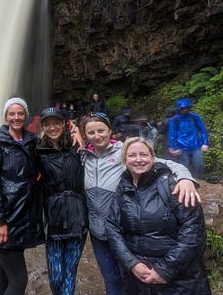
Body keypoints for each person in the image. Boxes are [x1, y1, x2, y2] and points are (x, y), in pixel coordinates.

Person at [80, 112, 200, 295]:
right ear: (85, 136)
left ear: (110, 131)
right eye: (91, 132)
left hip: (127, 231)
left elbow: (165, 163)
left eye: (101, 130)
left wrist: (185, 178)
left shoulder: (126, 152)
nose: (97, 136)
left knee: (130, 279)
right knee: (111, 281)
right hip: (98, 232)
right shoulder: (83, 156)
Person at [106, 137, 211, 294]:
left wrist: (165, 270)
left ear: (153, 157)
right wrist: (131, 263)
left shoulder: (173, 185)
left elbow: (193, 230)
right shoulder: (123, 187)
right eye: (132, 155)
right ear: (124, 160)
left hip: (180, 279)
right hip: (139, 277)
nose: (138, 159)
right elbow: (112, 227)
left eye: (144, 154)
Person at [0, 97, 44, 295]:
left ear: (25, 115)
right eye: (12, 113)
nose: (16, 117)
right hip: (5, 219)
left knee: (5, 277)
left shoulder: (32, 141)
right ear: (6, 117)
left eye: (20, 113)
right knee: (19, 280)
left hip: (22, 218)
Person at [36, 107, 87, 295]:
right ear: (42, 127)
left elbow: (111, 149)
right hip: (54, 218)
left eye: (56, 123)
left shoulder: (78, 147)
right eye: (47, 124)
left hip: (78, 217)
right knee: (56, 276)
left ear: (64, 124)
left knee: (69, 274)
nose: (52, 127)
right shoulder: (38, 151)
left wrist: (76, 132)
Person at [168, 98, 209, 179]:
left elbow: (203, 130)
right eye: (183, 109)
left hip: (196, 145)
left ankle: (198, 180)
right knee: (183, 167)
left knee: (199, 164)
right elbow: (172, 134)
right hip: (182, 147)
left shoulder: (195, 117)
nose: (185, 110)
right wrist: (174, 147)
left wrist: (205, 143)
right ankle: (184, 181)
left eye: (186, 108)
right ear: (179, 109)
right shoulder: (175, 119)